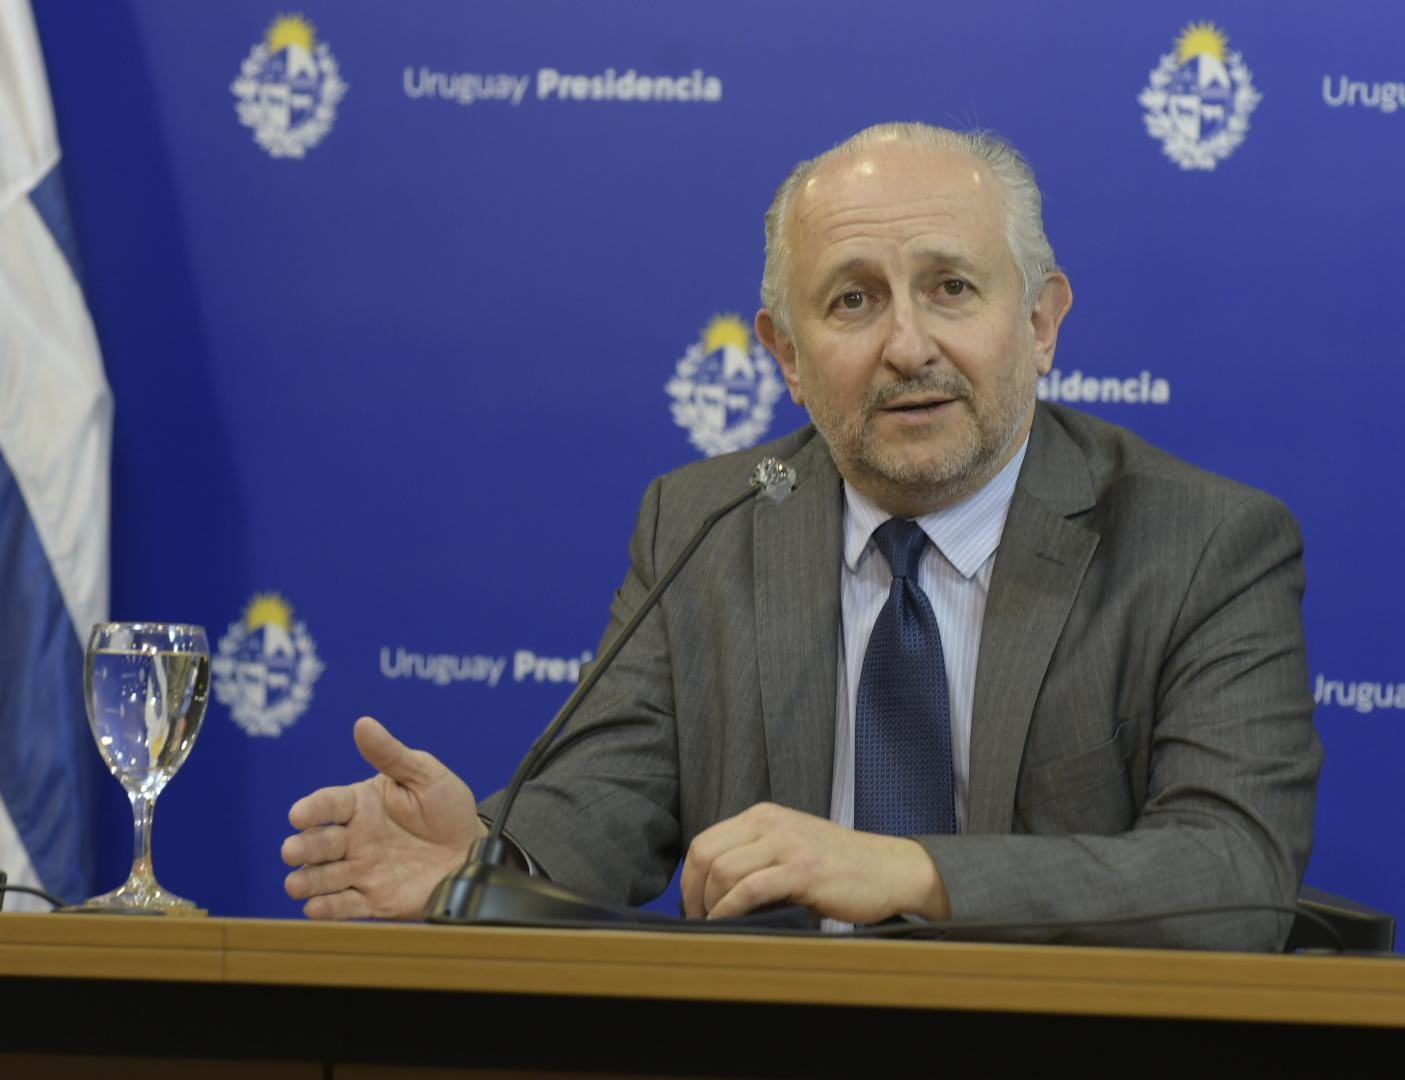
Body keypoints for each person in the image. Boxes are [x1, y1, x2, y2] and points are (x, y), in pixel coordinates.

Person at [282, 122, 1321, 949]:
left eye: (951, 287)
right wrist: (482, 862)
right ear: (784, 351)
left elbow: (1233, 875)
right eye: (853, 300)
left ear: (1042, 322)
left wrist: (908, 872)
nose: (907, 345)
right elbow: (605, 797)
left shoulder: (1202, 545)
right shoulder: (706, 525)